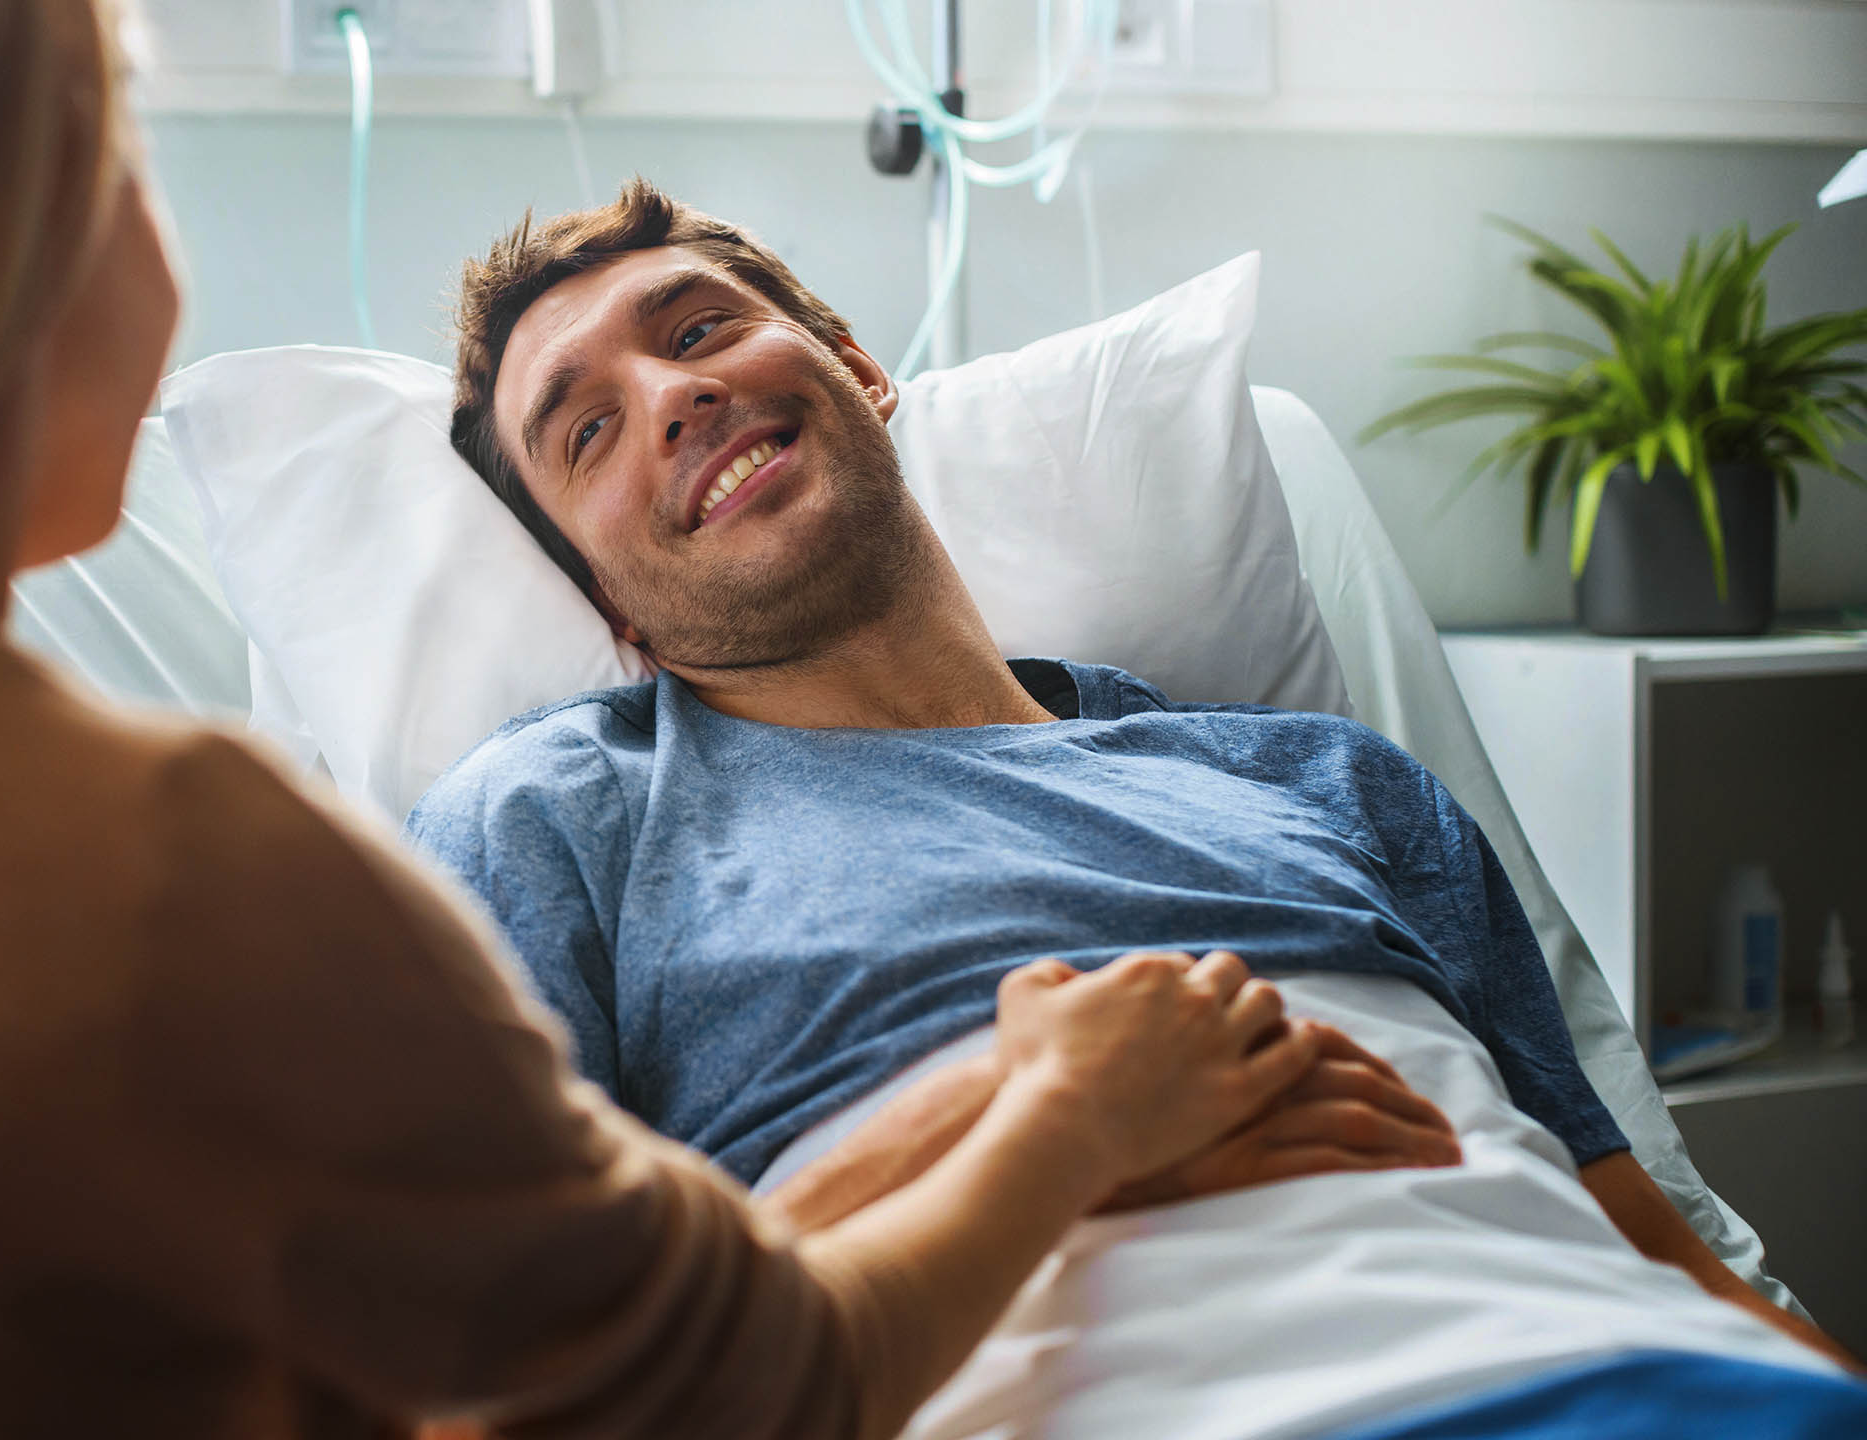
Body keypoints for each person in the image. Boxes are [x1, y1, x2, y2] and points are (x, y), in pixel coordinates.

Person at [0, 6, 1352, 1439]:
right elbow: (730, 1391)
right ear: (28, 250)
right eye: (128, 164)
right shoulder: (180, 857)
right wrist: (1060, 1100)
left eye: (709, 331)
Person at [408, 179, 1865, 1431]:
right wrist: (1049, 1114)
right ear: (609, 606)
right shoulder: (552, 822)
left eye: (700, 328)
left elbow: (1662, 1249)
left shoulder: (1328, 779)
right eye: (585, 431)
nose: (674, 397)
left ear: (855, 364)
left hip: (1646, 1380)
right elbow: (482, 1402)